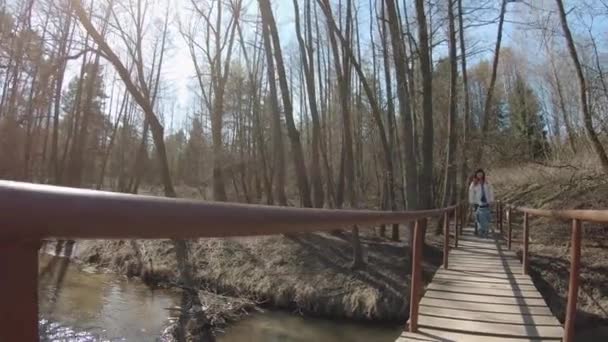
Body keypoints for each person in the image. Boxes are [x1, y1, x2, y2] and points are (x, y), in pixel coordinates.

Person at [468, 169, 495, 238]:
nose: (480, 175)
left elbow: (491, 191)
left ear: (483, 174)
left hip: (486, 201)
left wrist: (492, 200)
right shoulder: (474, 183)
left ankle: (485, 230)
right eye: (478, 174)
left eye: (481, 174)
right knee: (478, 217)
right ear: (476, 175)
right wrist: (471, 201)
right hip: (477, 202)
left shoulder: (487, 182)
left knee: (486, 216)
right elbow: (471, 192)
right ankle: (478, 230)